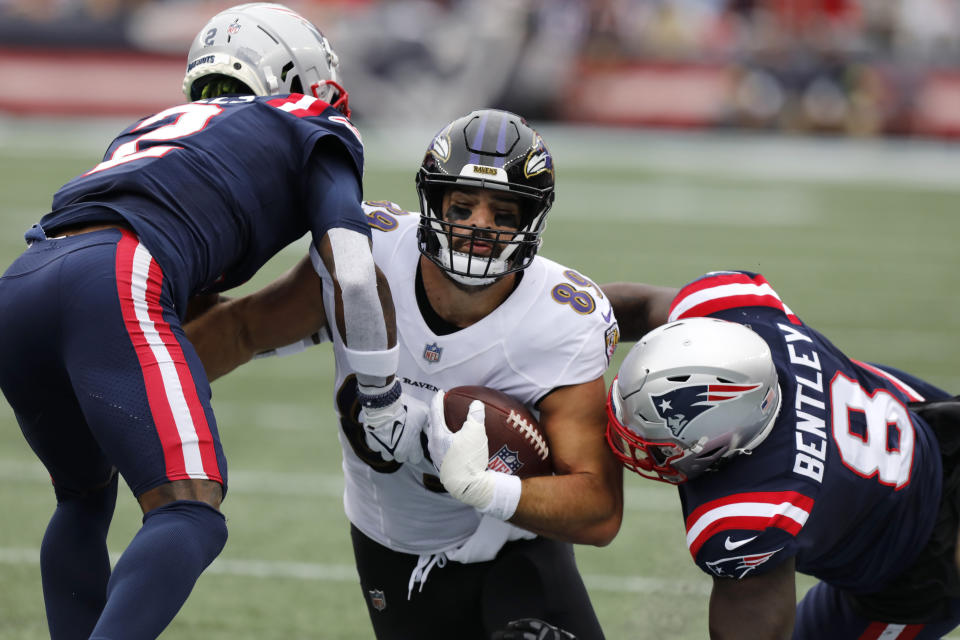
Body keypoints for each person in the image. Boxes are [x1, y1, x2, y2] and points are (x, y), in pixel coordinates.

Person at [0, 4, 414, 639]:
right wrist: (381, 394)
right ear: (292, 69)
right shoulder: (307, 119)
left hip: (23, 280)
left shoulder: (152, 128)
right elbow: (352, 267)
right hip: (117, 273)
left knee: (82, 499)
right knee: (189, 512)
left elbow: (183, 301)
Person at [185, 109, 623, 639]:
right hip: (392, 539)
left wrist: (485, 490)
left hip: (515, 543)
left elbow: (598, 509)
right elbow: (243, 331)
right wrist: (129, 393)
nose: (480, 224)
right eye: (462, 205)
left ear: (532, 220)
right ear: (432, 201)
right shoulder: (370, 251)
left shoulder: (562, 319)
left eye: (503, 213)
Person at [602, 270, 960, 638]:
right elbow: (637, 309)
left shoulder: (753, 513)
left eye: (660, 434)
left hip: (918, 563)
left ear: (724, 435)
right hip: (929, 425)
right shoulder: (740, 314)